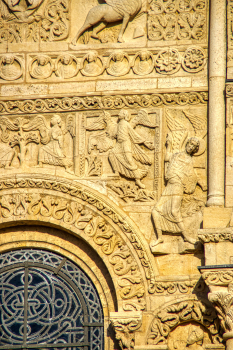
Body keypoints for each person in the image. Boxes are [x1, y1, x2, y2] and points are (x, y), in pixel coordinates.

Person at [150, 136, 200, 247]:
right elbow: (167, 158)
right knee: (155, 211)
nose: (190, 147)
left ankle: (186, 236)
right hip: (169, 187)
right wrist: (169, 145)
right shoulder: (176, 155)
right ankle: (159, 238)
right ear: (187, 143)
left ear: (195, 150)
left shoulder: (189, 160)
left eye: (193, 146)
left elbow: (192, 176)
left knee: (174, 211)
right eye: (190, 144)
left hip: (177, 186)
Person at [108, 109, 153, 189]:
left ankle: (137, 179)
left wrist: (145, 142)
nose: (118, 114)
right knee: (112, 154)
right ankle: (116, 172)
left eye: (121, 113)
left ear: (125, 115)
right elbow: (114, 134)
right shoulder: (118, 124)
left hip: (126, 143)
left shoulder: (126, 124)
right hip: (119, 143)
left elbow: (134, 134)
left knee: (129, 160)